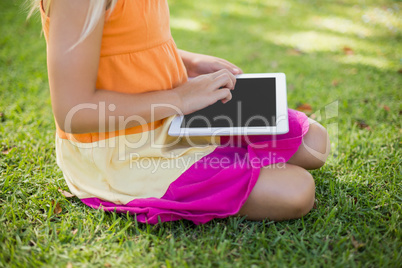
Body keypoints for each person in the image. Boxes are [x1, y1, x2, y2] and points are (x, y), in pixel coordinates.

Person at [31, 0, 330, 224]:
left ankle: (228, 156)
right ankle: (223, 161)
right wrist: (178, 98)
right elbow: (73, 111)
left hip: (172, 113)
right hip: (122, 147)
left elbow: (130, 40)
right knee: (297, 190)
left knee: (314, 143)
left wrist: (191, 63)